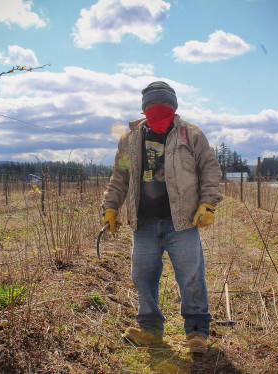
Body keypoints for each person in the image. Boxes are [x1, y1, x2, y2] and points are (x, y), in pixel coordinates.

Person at [101, 81, 222, 354]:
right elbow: (119, 177)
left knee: (191, 277)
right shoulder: (129, 139)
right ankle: (150, 330)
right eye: (153, 105)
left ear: (174, 106)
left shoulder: (190, 134)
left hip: (182, 222)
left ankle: (196, 333)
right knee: (142, 277)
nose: (158, 110)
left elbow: (210, 170)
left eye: (164, 105)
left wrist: (208, 203)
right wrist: (111, 207)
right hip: (143, 223)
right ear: (144, 108)